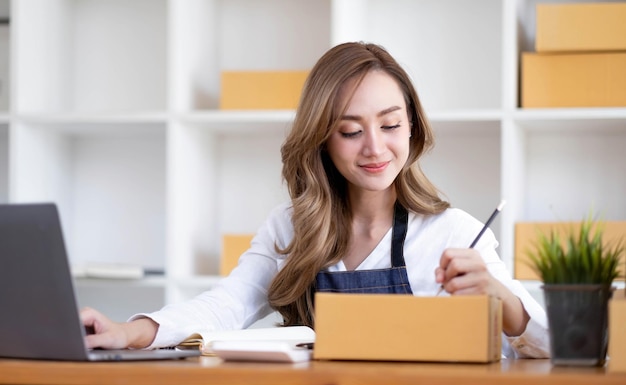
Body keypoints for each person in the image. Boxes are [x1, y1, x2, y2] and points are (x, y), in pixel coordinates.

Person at [81, 42, 550, 358]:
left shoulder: (455, 232)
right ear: (322, 139)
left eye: (390, 125)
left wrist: (500, 297)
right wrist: (127, 333)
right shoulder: (291, 227)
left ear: (412, 126)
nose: (374, 147)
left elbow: (553, 349)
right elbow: (225, 307)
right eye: (350, 130)